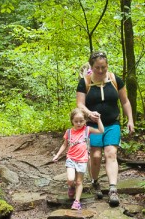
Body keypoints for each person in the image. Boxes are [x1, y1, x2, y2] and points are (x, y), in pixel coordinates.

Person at [76, 51, 134, 206]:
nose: (100, 71)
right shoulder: (85, 82)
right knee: (95, 156)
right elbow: (80, 104)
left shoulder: (115, 80)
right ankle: (95, 181)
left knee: (111, 153)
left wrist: (130, 120)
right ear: (92, 67)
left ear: (107, 66)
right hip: (92, 125)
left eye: (103, 67)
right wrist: (89, 113)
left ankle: (113, 189)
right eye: (97, 68)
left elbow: (125, 101)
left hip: (112, 123)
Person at [53, 108, 104, 210]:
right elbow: (64, 145)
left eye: (81, 121)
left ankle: (77, 202)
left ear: (85, 120)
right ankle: (71, 187)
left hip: (82, 160)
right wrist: (57, 155)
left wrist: (98, 120)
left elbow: (101, 131)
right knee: (71, 179)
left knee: (79, 182)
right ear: (72, 120)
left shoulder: (87, 130)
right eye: (76, 121)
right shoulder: (69, 132)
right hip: (71, 158)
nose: (79, 123)